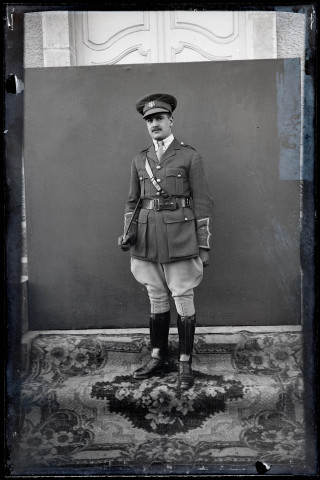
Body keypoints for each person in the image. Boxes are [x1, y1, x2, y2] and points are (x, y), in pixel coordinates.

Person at [118, 93, 213, 390]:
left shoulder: (189, 156)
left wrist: (204, 244)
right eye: (149, 120)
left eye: (159, 118)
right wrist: (128, 233)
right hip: (146, 239)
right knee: (156, 297)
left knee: (182, 297)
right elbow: (133, 202)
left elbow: (203, 202)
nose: (154, 124)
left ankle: (185, 361)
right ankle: (157, 356)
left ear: (171, 120)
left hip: (181, 238)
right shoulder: (139, 159)